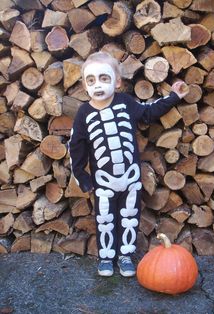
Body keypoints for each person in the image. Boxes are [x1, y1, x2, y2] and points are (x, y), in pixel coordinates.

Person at [69, 52, 189, 277]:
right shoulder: (84, 113)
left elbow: (148, 113)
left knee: (129, 217)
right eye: (91, 80)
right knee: (104, 219)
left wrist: (174, 97)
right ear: (84, 86)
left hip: (131, 177)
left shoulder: (125, 102)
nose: (97, 85)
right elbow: (76, 147)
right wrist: (82, 178)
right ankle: (106, 257)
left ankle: (125, 255)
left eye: (104, 78)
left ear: (118, 82)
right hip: (103, 181)